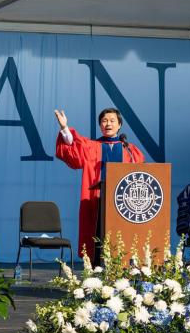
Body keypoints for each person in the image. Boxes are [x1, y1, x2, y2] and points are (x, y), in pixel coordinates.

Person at [55, 108, 145, 266]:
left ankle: (126, 267)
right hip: (97, 200)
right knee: (96, 234)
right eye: (104, 121)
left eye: (112, 120)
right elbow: (72, 148)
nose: (108, 123)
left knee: (124, 236)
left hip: (124, 204)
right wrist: (64, 128)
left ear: (119, 125)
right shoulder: (91, 146)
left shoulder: (129, 150)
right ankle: (97, 267)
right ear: (100, 126)